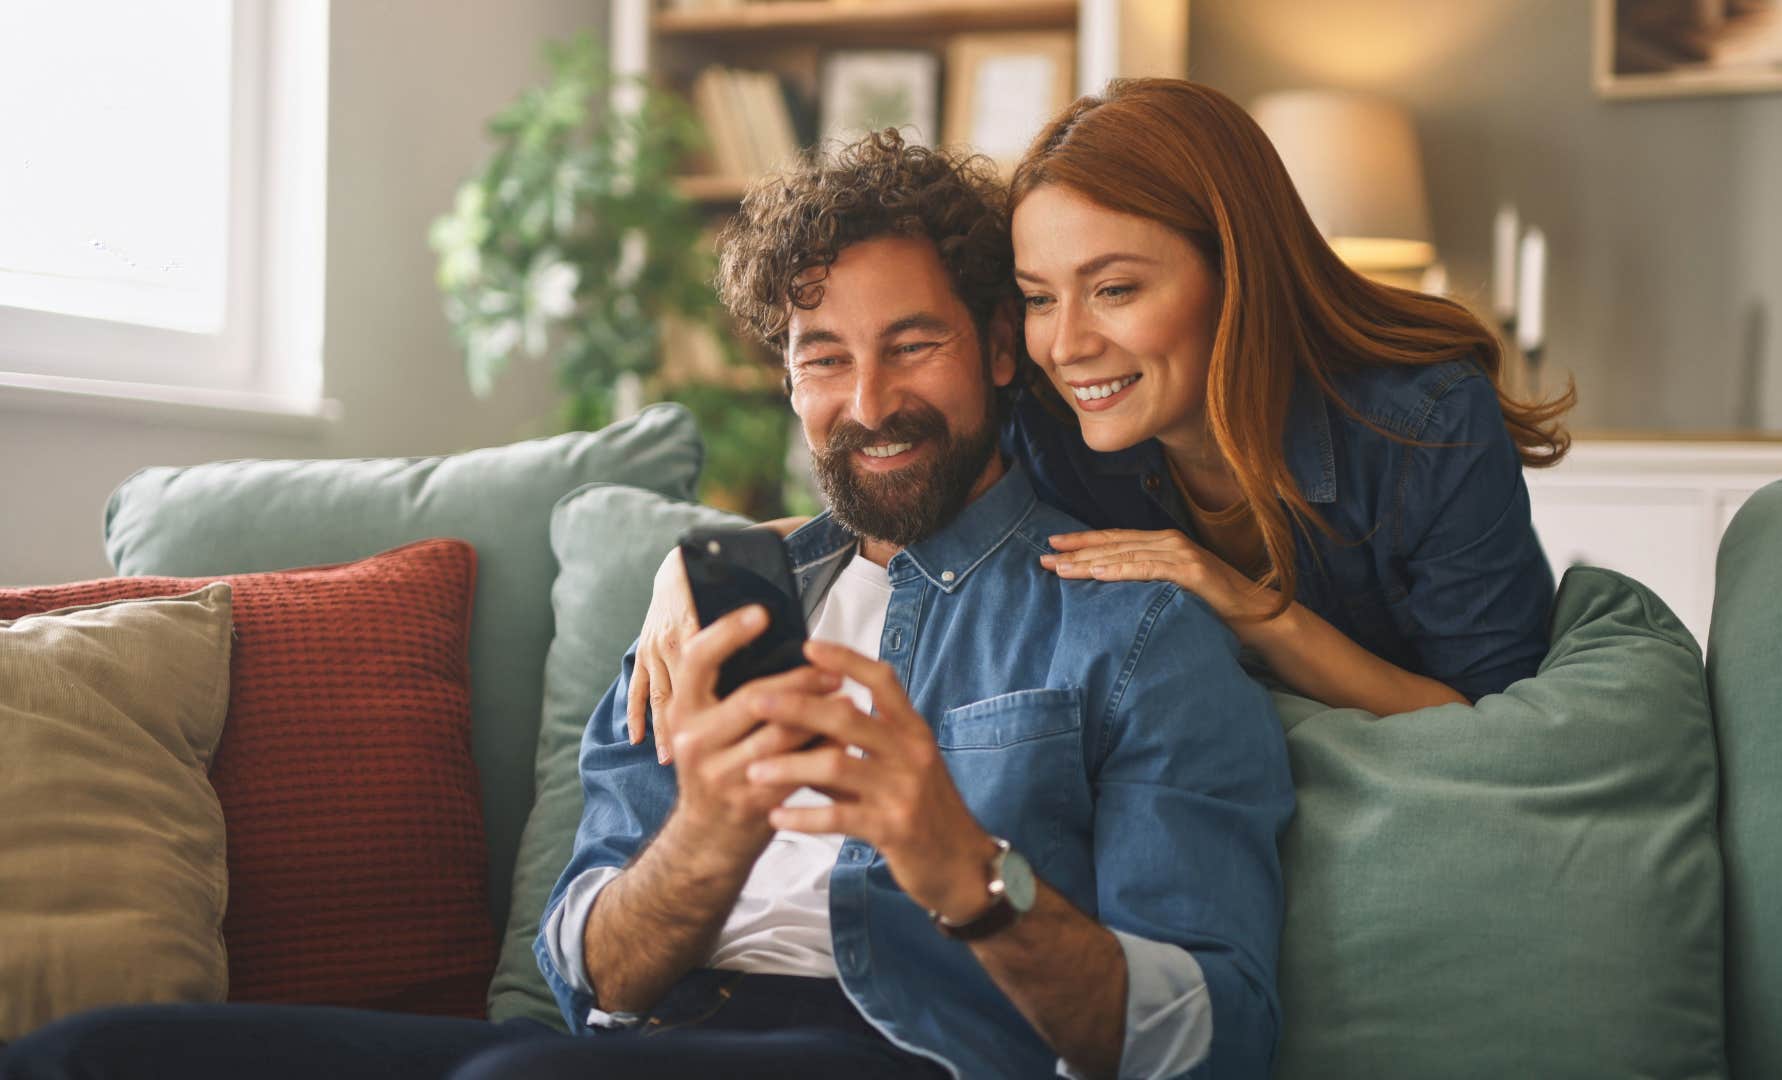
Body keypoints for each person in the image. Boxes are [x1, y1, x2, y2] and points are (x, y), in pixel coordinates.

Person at [0, 133, 1291, 1080]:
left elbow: (1216, 1033)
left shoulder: (1129, 617)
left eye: (913, 344)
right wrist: (711, 830)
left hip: (916, 1051)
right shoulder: (720, 601)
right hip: (642, 1044)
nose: (868, 400)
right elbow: (591, 978)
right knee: (90, 1054)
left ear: (1000, 351)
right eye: (822, 358)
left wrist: (966, 871)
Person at [628, 79, 1574, 754]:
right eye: (1040, 298)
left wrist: (1253, 611)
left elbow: (1499, 730)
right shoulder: (1051, 417)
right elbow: (902, 491)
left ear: (1235, 274)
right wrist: (706, 561)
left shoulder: (1424, 423)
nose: (1067, 344)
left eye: (1114, 288)